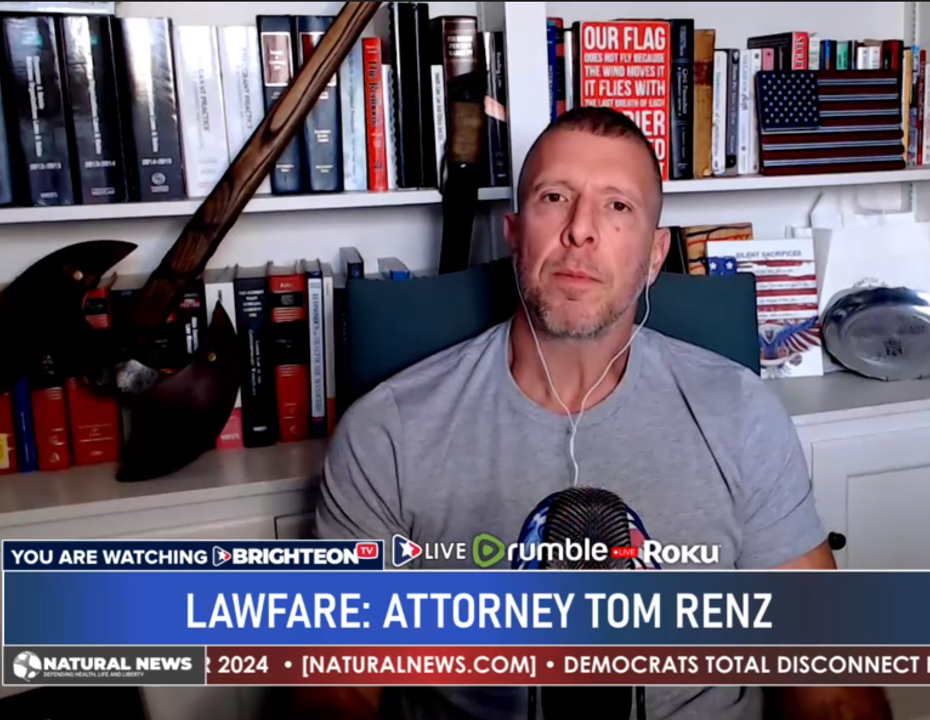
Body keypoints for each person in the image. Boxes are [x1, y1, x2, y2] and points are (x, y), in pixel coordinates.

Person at [309, 107, 891, 720]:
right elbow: (334, 683)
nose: (580, 230)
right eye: (555, 197)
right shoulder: (388, 433)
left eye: (617, 206)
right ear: (514, 235)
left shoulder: (743, 416)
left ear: (655, 254)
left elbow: (829, 675)